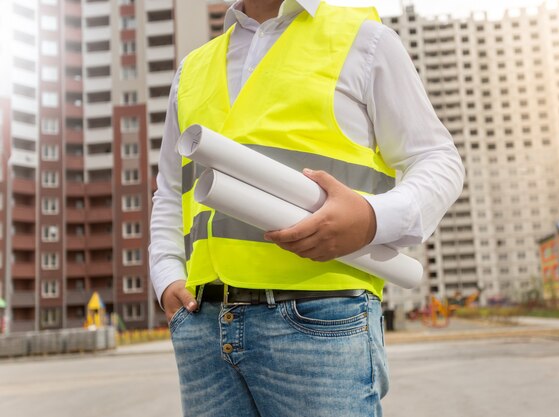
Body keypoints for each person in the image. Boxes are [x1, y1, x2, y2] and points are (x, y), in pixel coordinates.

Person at [149, 0, 464, 416]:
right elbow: (171, 190)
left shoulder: (364, 41)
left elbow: (438, 160)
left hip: (320, 315)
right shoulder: (191, 71)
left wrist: (372, 219)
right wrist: (166, 275)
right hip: (205, 323)